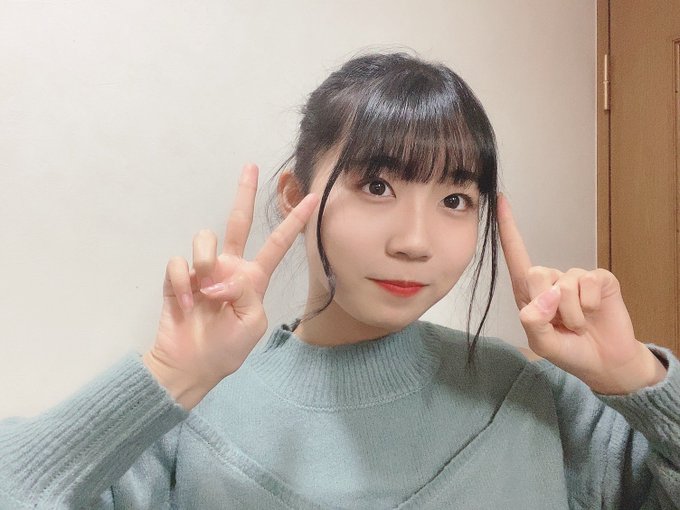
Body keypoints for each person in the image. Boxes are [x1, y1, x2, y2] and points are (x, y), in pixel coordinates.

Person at [0, 52, 678, 510]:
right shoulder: (192, 421)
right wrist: (169, 376)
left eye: (455, 199)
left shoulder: (536, 401)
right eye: (376, 185)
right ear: (294, 197)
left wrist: (637, 379)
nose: (414, 242)